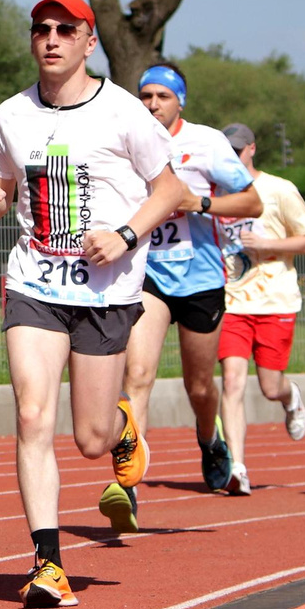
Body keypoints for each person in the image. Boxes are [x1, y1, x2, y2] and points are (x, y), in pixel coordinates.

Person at [0, 0, 183, 608]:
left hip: (106, 289)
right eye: (42, 30)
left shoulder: (123, 112)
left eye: (67, 29)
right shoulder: (10, 115)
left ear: (90, 41)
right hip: (35, 281)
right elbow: (5, 189)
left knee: (89, 437)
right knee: (34, 416)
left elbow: (167, 191)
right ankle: (48, 563)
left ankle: (121, 430)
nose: (52, 39)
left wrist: (124, 234)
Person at [111, 63, 262, 525]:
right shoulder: (126, 140)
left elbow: (252, 202)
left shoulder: (207, 143)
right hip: (147, 273)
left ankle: (209, 439)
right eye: (145, 96)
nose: (152, 104)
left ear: (181, 101)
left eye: (162, 96)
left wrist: (199, 202)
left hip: (200, 280)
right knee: (137, 375)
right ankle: (127, 480)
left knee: (200, 387)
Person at [213, 121, 305, 496]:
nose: (233, 158)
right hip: (232, 302)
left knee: (270, 386)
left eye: (238, 151)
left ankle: (291, 397)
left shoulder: (278, 189)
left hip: (275, 300)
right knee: (234, 382)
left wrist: (268, 242)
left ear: (252, 150)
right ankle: (237, 467)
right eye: (227, 152)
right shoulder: (214, 191)